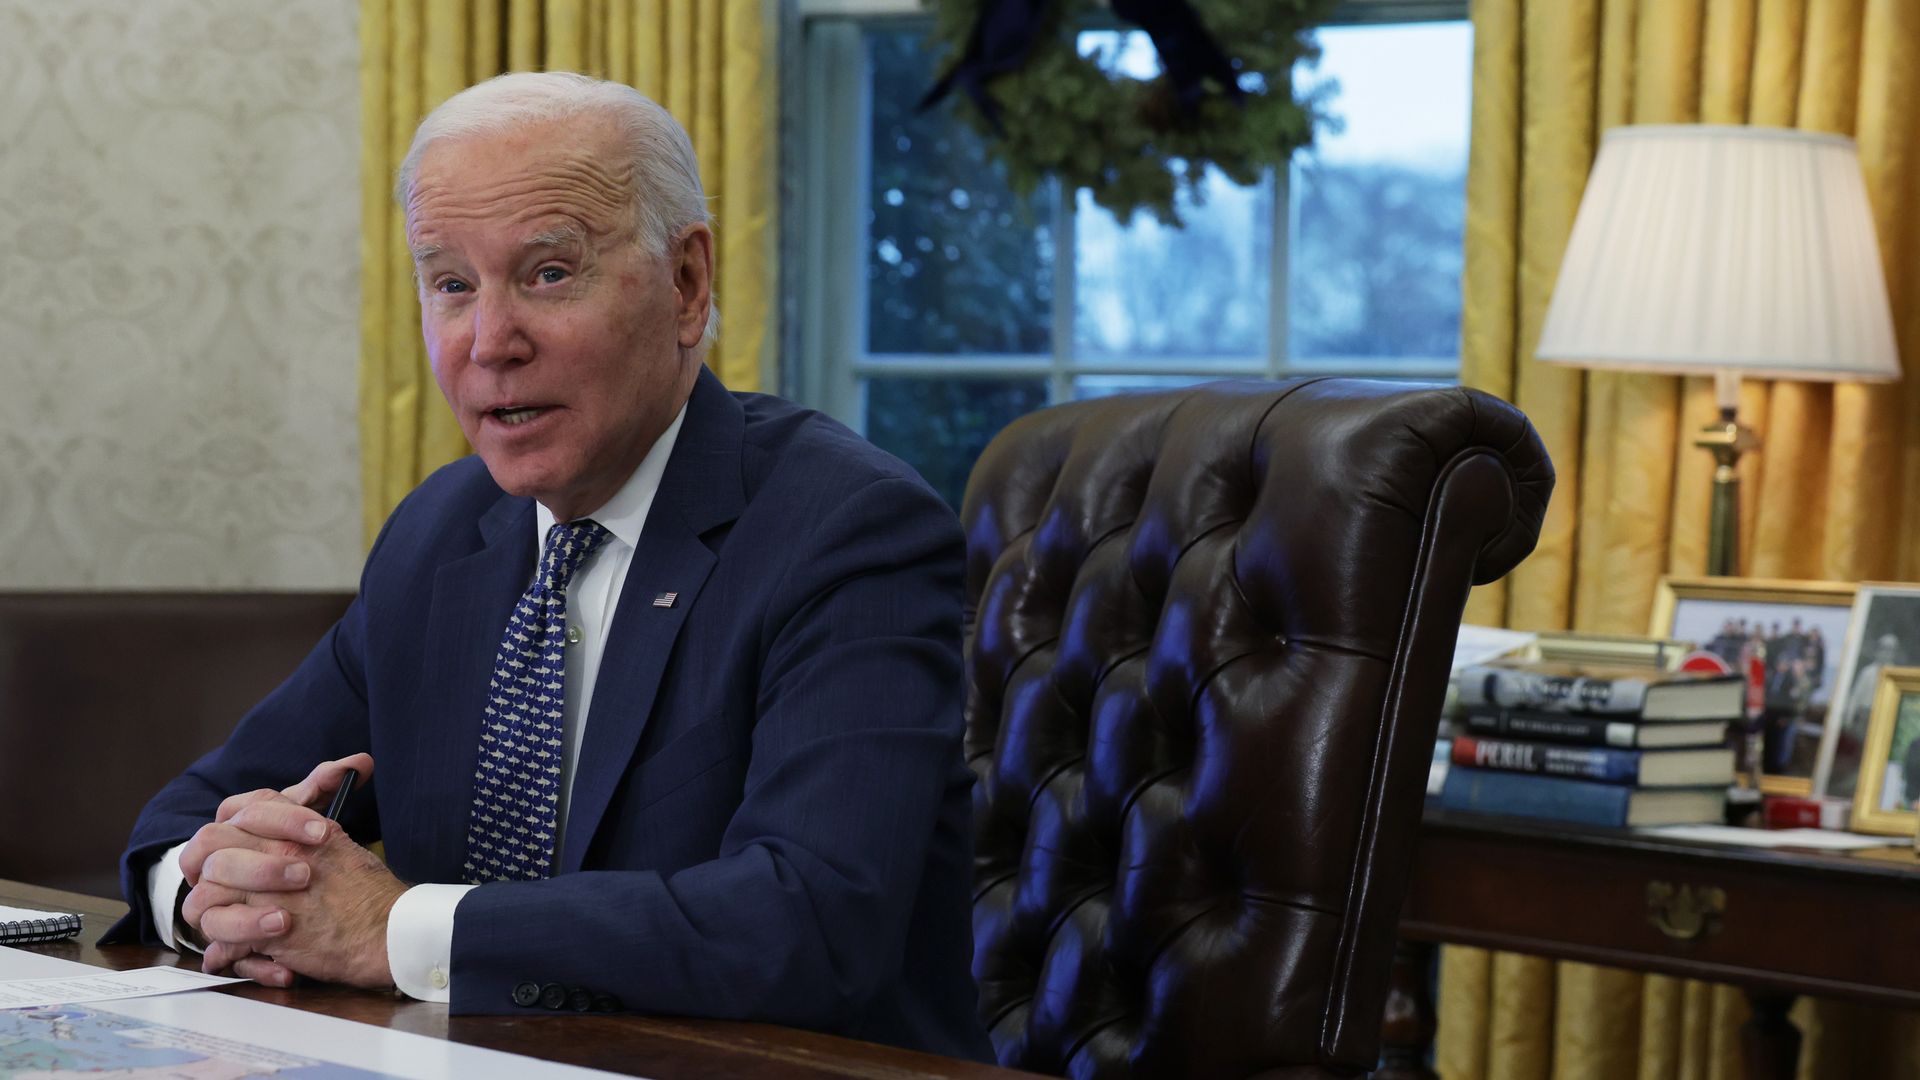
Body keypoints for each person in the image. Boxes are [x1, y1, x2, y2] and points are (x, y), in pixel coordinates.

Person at [107, 71, 992, 1061]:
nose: (491, 343)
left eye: (548, 274)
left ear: (687, 284)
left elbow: (810, 922)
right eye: (451, 284)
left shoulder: (846, 530)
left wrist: (391, 931)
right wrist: (221, 898)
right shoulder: (442, 535)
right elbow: (183, 819)